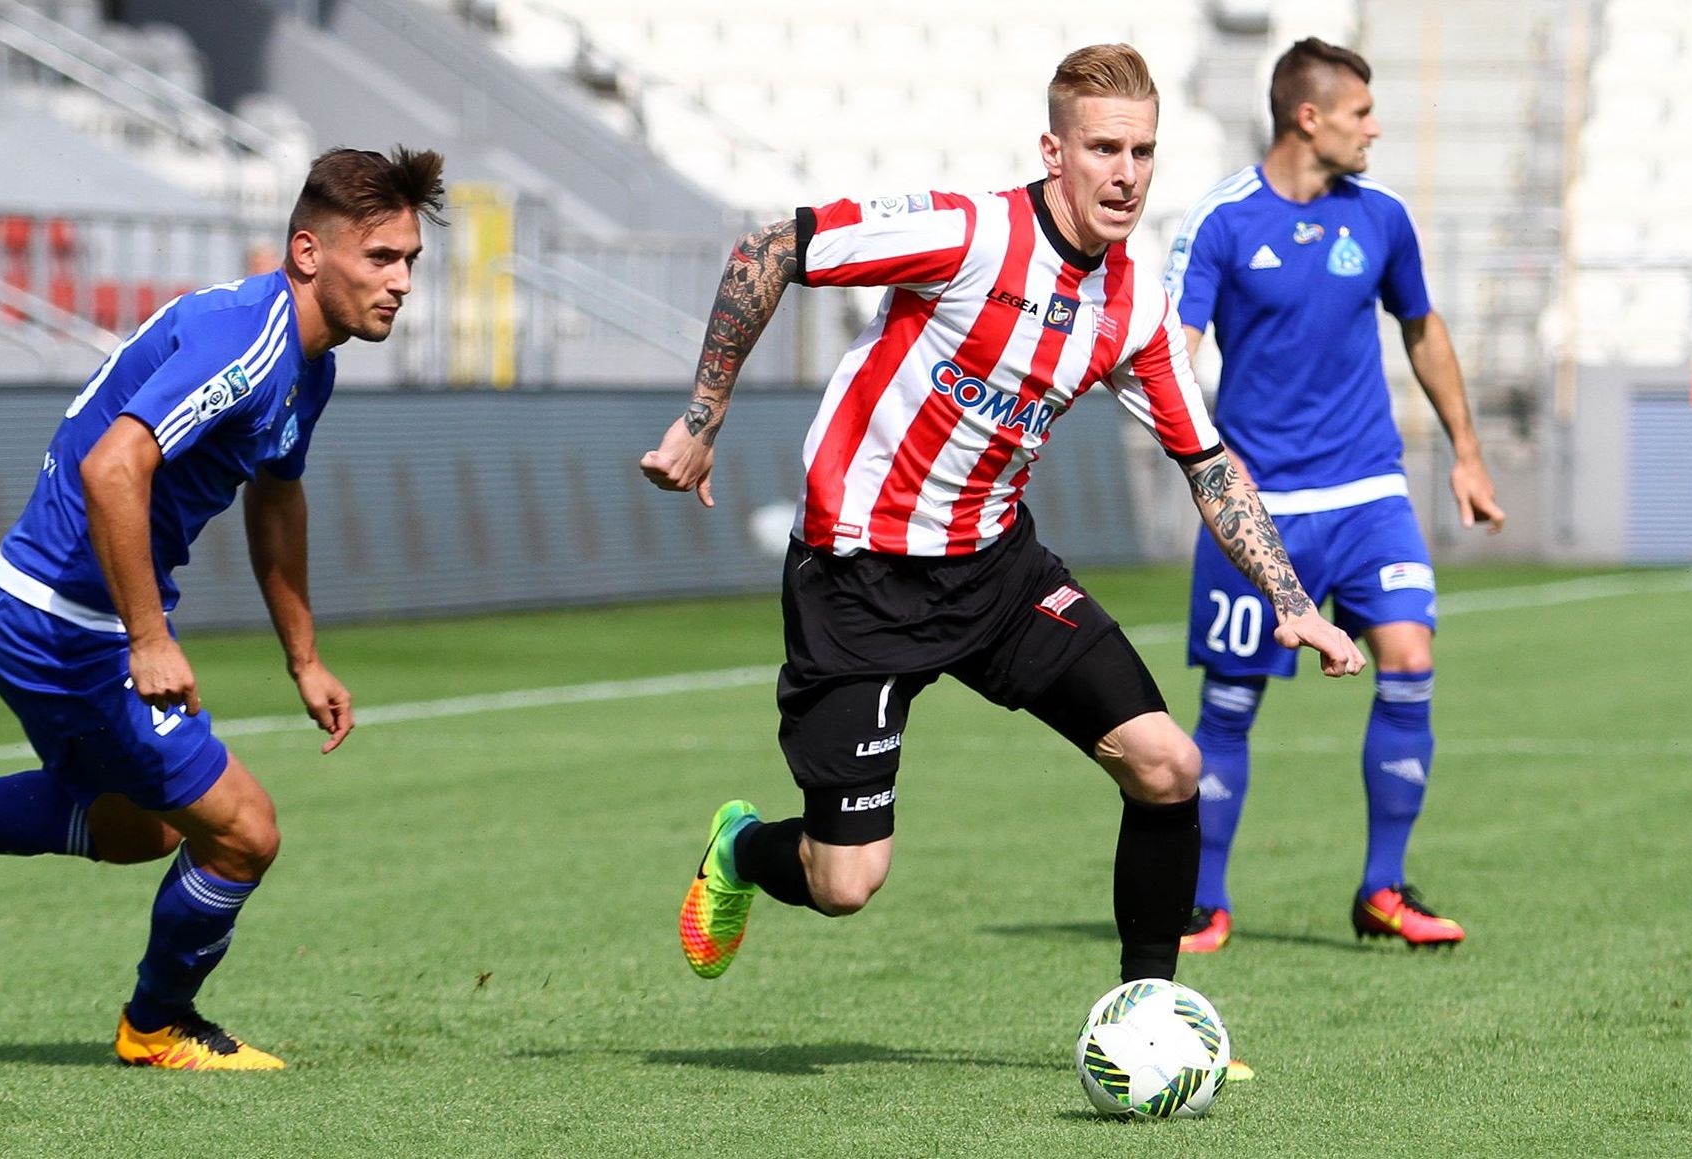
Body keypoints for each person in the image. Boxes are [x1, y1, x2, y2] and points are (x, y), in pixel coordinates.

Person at [640, 44, 1366, 1023]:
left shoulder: (1131, 307)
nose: (1124, 174)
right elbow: (769, 249)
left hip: (993, 573)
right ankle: (739, 848)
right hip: (858, 579)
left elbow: (1205, 459)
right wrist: (702, 417)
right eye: (1103, 148)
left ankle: (1149, 1019)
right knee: (844, 882)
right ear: (1053, 150)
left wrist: (1287, 598)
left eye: (1142, 151)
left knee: (1167, 765)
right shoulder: (966, 233)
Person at [0, 146, 446, 1068]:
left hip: (51, 613)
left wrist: (304, 657)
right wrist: (148, 639)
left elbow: (276, 494)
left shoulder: (308, 363)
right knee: (243, 831)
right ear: (310, 252)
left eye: (410, 263)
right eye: (381, 259)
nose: (401, 284)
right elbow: (113, 465)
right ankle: (156, 1024)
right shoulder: (251, 339)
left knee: (137, 829)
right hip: (65, 625)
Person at [1162, 38, 1505, 954]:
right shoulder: (1223, 222)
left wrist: (1466, 453)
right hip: (1259, 510)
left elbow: (1424, 332)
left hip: (1369, 491)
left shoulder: (1382, 218)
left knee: (1409, 651)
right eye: (1361, 112)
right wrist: (1199, 454)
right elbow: (1173, 351)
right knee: (1230, 703)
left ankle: (1383, 888)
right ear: (1308, 118)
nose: (1374, 128)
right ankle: (1206, 900)